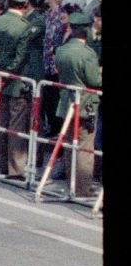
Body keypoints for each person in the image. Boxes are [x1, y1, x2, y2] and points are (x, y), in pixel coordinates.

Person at [0, 0, 41, 179]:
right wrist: (9, 71)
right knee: (16, 125)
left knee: (1, 121)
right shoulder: (25, 26)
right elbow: (21, 55)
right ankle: (16, 169)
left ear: (8, 2)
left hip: (0, 78)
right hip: (17, 82)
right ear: (25, 3)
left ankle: (1, 165)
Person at [53, 12, 100, 196]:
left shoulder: (61, 50)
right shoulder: (88, 53)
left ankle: (71, 183)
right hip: (85, 104)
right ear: (86, 30)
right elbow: (94, 80)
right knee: (84, 147)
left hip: (65, 102)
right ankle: (82, 188)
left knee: (69, 145)